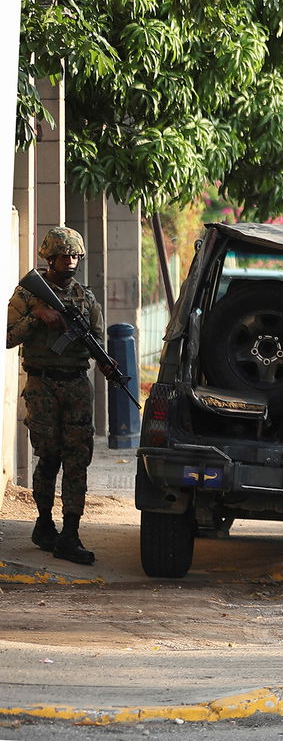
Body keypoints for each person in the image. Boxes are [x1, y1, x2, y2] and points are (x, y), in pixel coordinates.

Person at [5, 227, 107, 565]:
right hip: (42, 385)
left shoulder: (87, 299)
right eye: (64, 256)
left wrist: (102, 360)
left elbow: (99, 345)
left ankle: (71, 533)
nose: (71, 261)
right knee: (48, 457)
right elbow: (8, 337)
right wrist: (37, 316)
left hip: (76, 385)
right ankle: (45, 523)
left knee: (78, 460)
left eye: (76, 256)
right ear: (49, 258)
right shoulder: (27, 294)